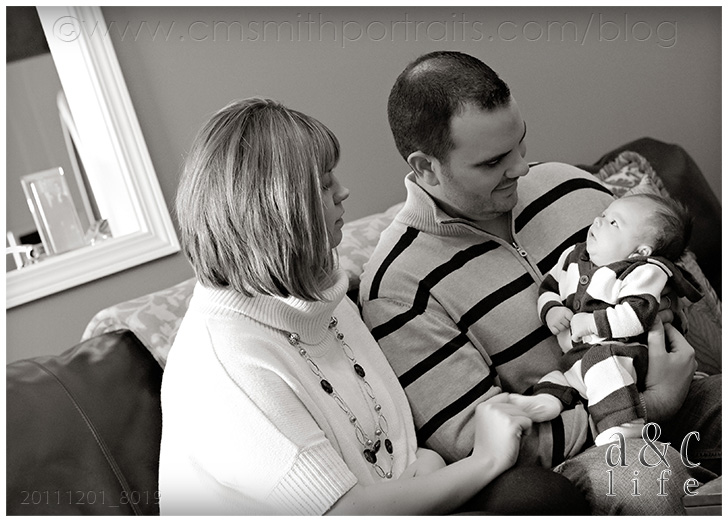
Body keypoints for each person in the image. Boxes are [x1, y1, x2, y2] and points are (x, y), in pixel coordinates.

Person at [158, 98, 589, 515]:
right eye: (324, 184)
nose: (343, 191)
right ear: (275, 209)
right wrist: (486, 460)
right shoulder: (223, 364)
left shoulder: (321, 298)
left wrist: (427, 466)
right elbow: (345, 512)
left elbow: (401, 452)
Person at [359, 51, 720, 514]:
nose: (521, 169)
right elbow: (477, 442)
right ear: (426, 167)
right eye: (493, 162)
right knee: (644, 477)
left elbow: (658, 288)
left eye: (520, 143)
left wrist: (665, 338)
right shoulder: (399, 289)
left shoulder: (570, 185)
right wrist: (649, 405)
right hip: (577, 454)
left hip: (678, 390)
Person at [508, 193, 702, 446]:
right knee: (558, 378)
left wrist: (591, 323)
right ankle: (546, 402)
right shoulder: (572, 257)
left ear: (640, 251)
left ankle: (624, 425)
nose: (598, 221)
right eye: (603, 214)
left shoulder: (642, 271)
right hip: (578, 358)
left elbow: (637, 315)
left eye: (614, 223)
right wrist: (552, 310)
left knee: (603, 366)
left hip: (625, 354)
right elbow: (549, 288)